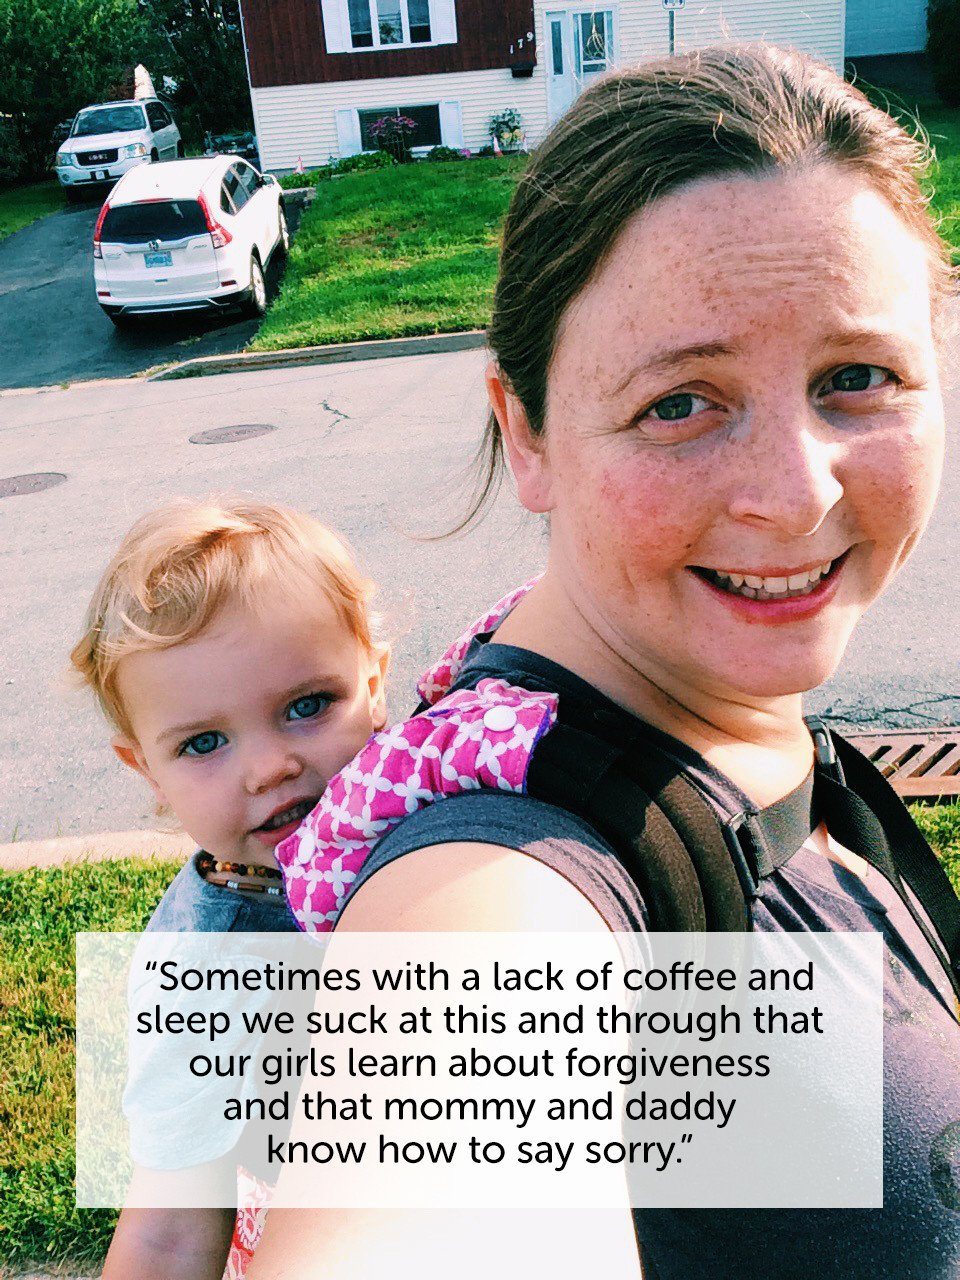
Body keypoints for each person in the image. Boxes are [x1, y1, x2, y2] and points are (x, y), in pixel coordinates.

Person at [246, 42, 960, 1280]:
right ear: (525, 434)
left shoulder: (740, 721)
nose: (798, 495)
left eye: (858, 377)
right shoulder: (501, 874)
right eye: (679, 402)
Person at [69, 497, 390, 1280]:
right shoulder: (203, 969)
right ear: (147, 770)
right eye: (204, 742)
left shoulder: (423, 813)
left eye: (308, 706)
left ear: (375, 682)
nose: (269, 767)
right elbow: (172, 1231)